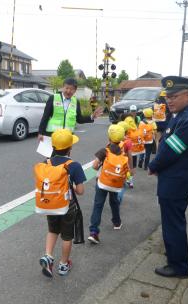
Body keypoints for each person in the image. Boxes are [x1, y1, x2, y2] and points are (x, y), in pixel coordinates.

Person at [147, 76, 188, 278]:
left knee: (173, 225)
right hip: (174, 180)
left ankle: (178, 266)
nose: (169, 101)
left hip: (176, 182)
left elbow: (170, 150)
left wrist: (153, 165)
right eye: (167, 96)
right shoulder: (180, 115)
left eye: (174, 96)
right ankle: (174, 259)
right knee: (172, 223)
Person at [39, 129, 87, 277]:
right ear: (70, 147)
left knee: (52, 230)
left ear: (53, 146)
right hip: (67, 206)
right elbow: (80, 191)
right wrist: (70, 184)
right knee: (67, 236)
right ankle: (63, 265)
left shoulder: (45, 162)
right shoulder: (74, 165)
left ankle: (48, 256)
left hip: (50, 204)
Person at [88, 125, 131, 244]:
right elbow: (127, 169)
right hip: (116, 184)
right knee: (114, 202)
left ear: (109, 137)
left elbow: (94, 166)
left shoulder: (104, 151)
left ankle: (93, 232)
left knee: (98, 205)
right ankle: (117, 222)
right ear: (122, 138)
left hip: (102, 182)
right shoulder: (123, 153)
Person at [38, 78, 103, 140]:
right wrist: (41, 132)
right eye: (67, 88)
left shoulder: (76, 102)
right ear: (63, 87)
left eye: (71, 89)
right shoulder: (53, 98)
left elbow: (79, 119)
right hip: (52, 135)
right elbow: (45, 116)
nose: (68, 91)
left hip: (68, 137)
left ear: (75, 90)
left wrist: (92, 116)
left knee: (66, 152)